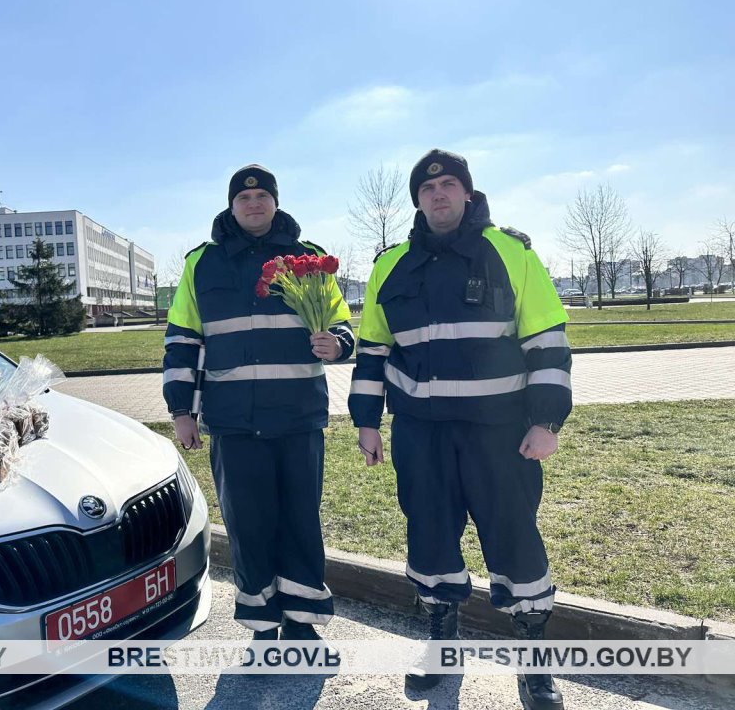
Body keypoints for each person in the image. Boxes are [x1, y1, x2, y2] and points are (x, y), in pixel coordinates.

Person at [349, 149, 571, 709]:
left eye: (449, 185)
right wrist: (367, 421)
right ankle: (442, 645)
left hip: (499, 433)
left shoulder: (511, 252)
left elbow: (547, 342)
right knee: (429, 538)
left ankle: (534, 664)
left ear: (467, 193)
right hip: (422, 434)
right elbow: (374, 350)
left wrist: (546, 421)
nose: (438, 194)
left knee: (515, 541)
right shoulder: (390, 264)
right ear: (417, 200)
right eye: (428, 189)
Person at [163, 164, 355, 642]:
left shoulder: (308, 258)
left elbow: (344, 323)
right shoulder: (201, 263)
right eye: (244, 198)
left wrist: (340, 344)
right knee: (248, 526)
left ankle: (301, 618)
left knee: (299, 521)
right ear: (231, 205)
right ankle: (261, 622)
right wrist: (181, 411)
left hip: (297, 416)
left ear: (275, 202)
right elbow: (183, 341)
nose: (254, 204)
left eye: (262, 196)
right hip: (233, 422)